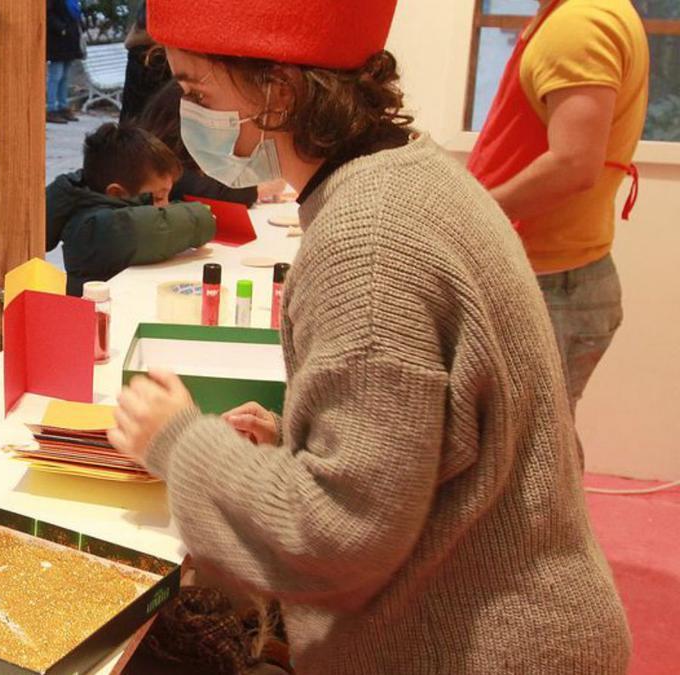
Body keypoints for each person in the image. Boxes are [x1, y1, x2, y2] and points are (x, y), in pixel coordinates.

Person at [109, 1, 630, 673]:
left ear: (280, 89)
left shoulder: (368, 240)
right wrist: (298, 439)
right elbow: (424, 443)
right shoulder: (412, 171)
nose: (188, 116)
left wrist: (177, 440)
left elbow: (334, 540)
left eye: (196, 90)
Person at [468, 0, 648, 425]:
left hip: (550, 286)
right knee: (536, 449)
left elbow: (573, 166)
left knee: (530, 458)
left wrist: (469, 213)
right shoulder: (577, 14)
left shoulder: (579, 24)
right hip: (551, 279)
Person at [46, 123, 215, 297]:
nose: (165, 207)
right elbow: (159, 229)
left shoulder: (94, 205)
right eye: (157, 198)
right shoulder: (94, 229)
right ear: (116, 193)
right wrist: (202, 217)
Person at [45, 0, 83, 124]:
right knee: (55, 76)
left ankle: (63, 106)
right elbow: (48, 14)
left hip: (70, 40)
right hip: (58, 41)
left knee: (65, 76)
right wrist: (60, 28)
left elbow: (76, 14)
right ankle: (51, 108)